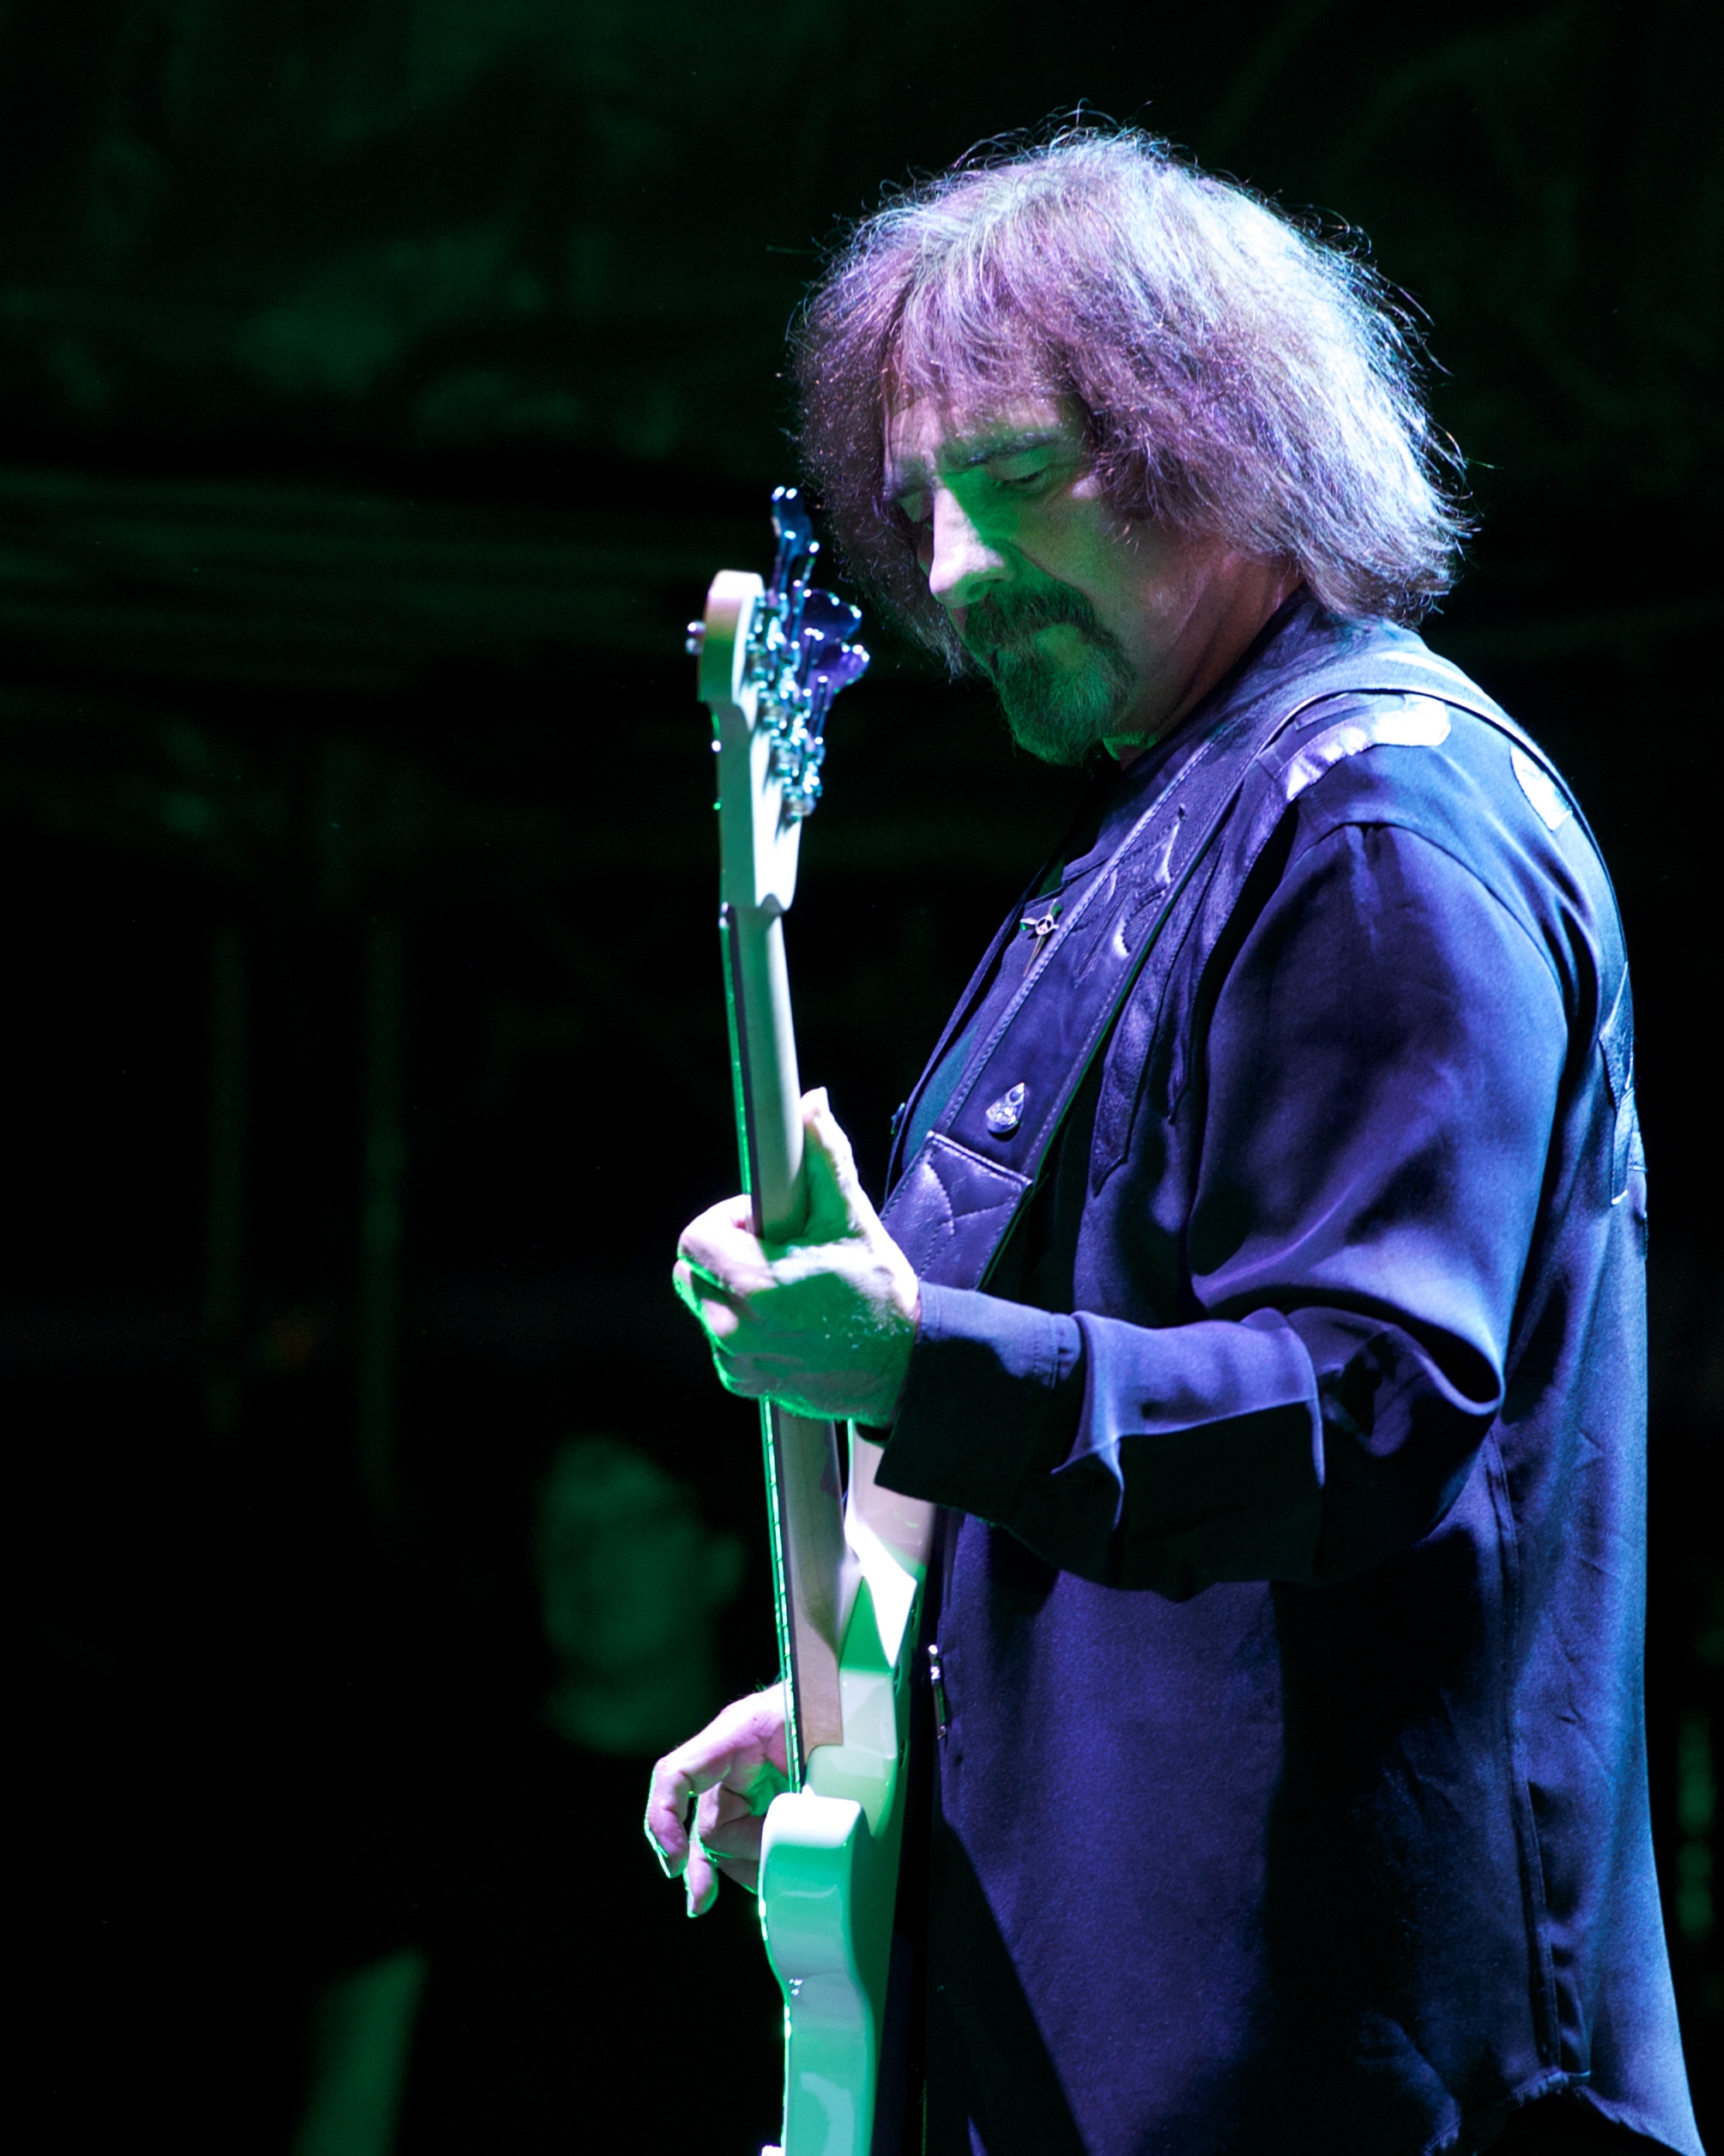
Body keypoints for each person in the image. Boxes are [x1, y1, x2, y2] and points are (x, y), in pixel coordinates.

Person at [645, 130, 1702, 2156]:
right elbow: (1132, 1479)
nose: (952, 573)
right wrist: (900, 1709)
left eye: (1015, 479)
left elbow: (1369, 1404)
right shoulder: (1175, 835)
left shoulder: (1378, 830)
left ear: (1216, 443)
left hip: (1355, 2083)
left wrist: (912, 1361)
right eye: (919, 507)